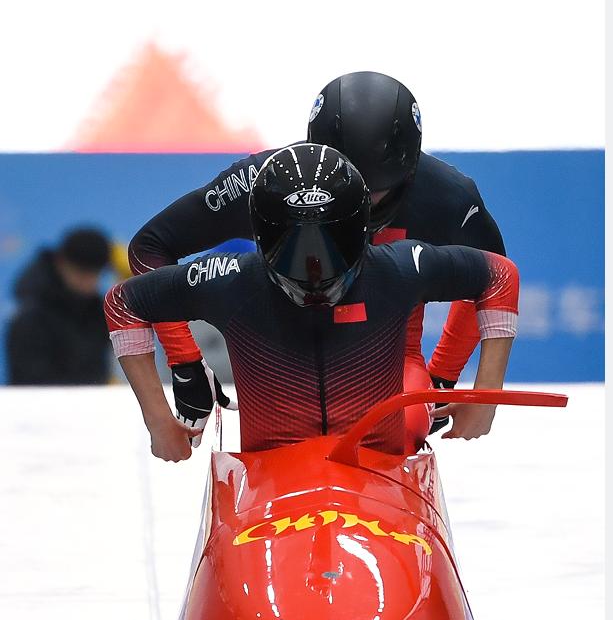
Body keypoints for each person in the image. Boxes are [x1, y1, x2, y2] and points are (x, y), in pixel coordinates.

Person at [127, 71, 506, 441]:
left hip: (385, 367)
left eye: (377, 194)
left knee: (399, 426)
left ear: (408, 172)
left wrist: (443, 379)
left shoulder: (448, 197)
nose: (364, 208)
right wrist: (185, 360)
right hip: (274, 359)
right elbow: (150, 247)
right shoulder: (267, 183)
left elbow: (492, 280)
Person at [7, 227, 112, 385]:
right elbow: (27, 383)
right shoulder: (31, 317)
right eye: (81, 272)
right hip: (41, 405)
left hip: (93, 402)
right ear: (61, 263)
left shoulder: (99, 311)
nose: (87, 280)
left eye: (95, 273)